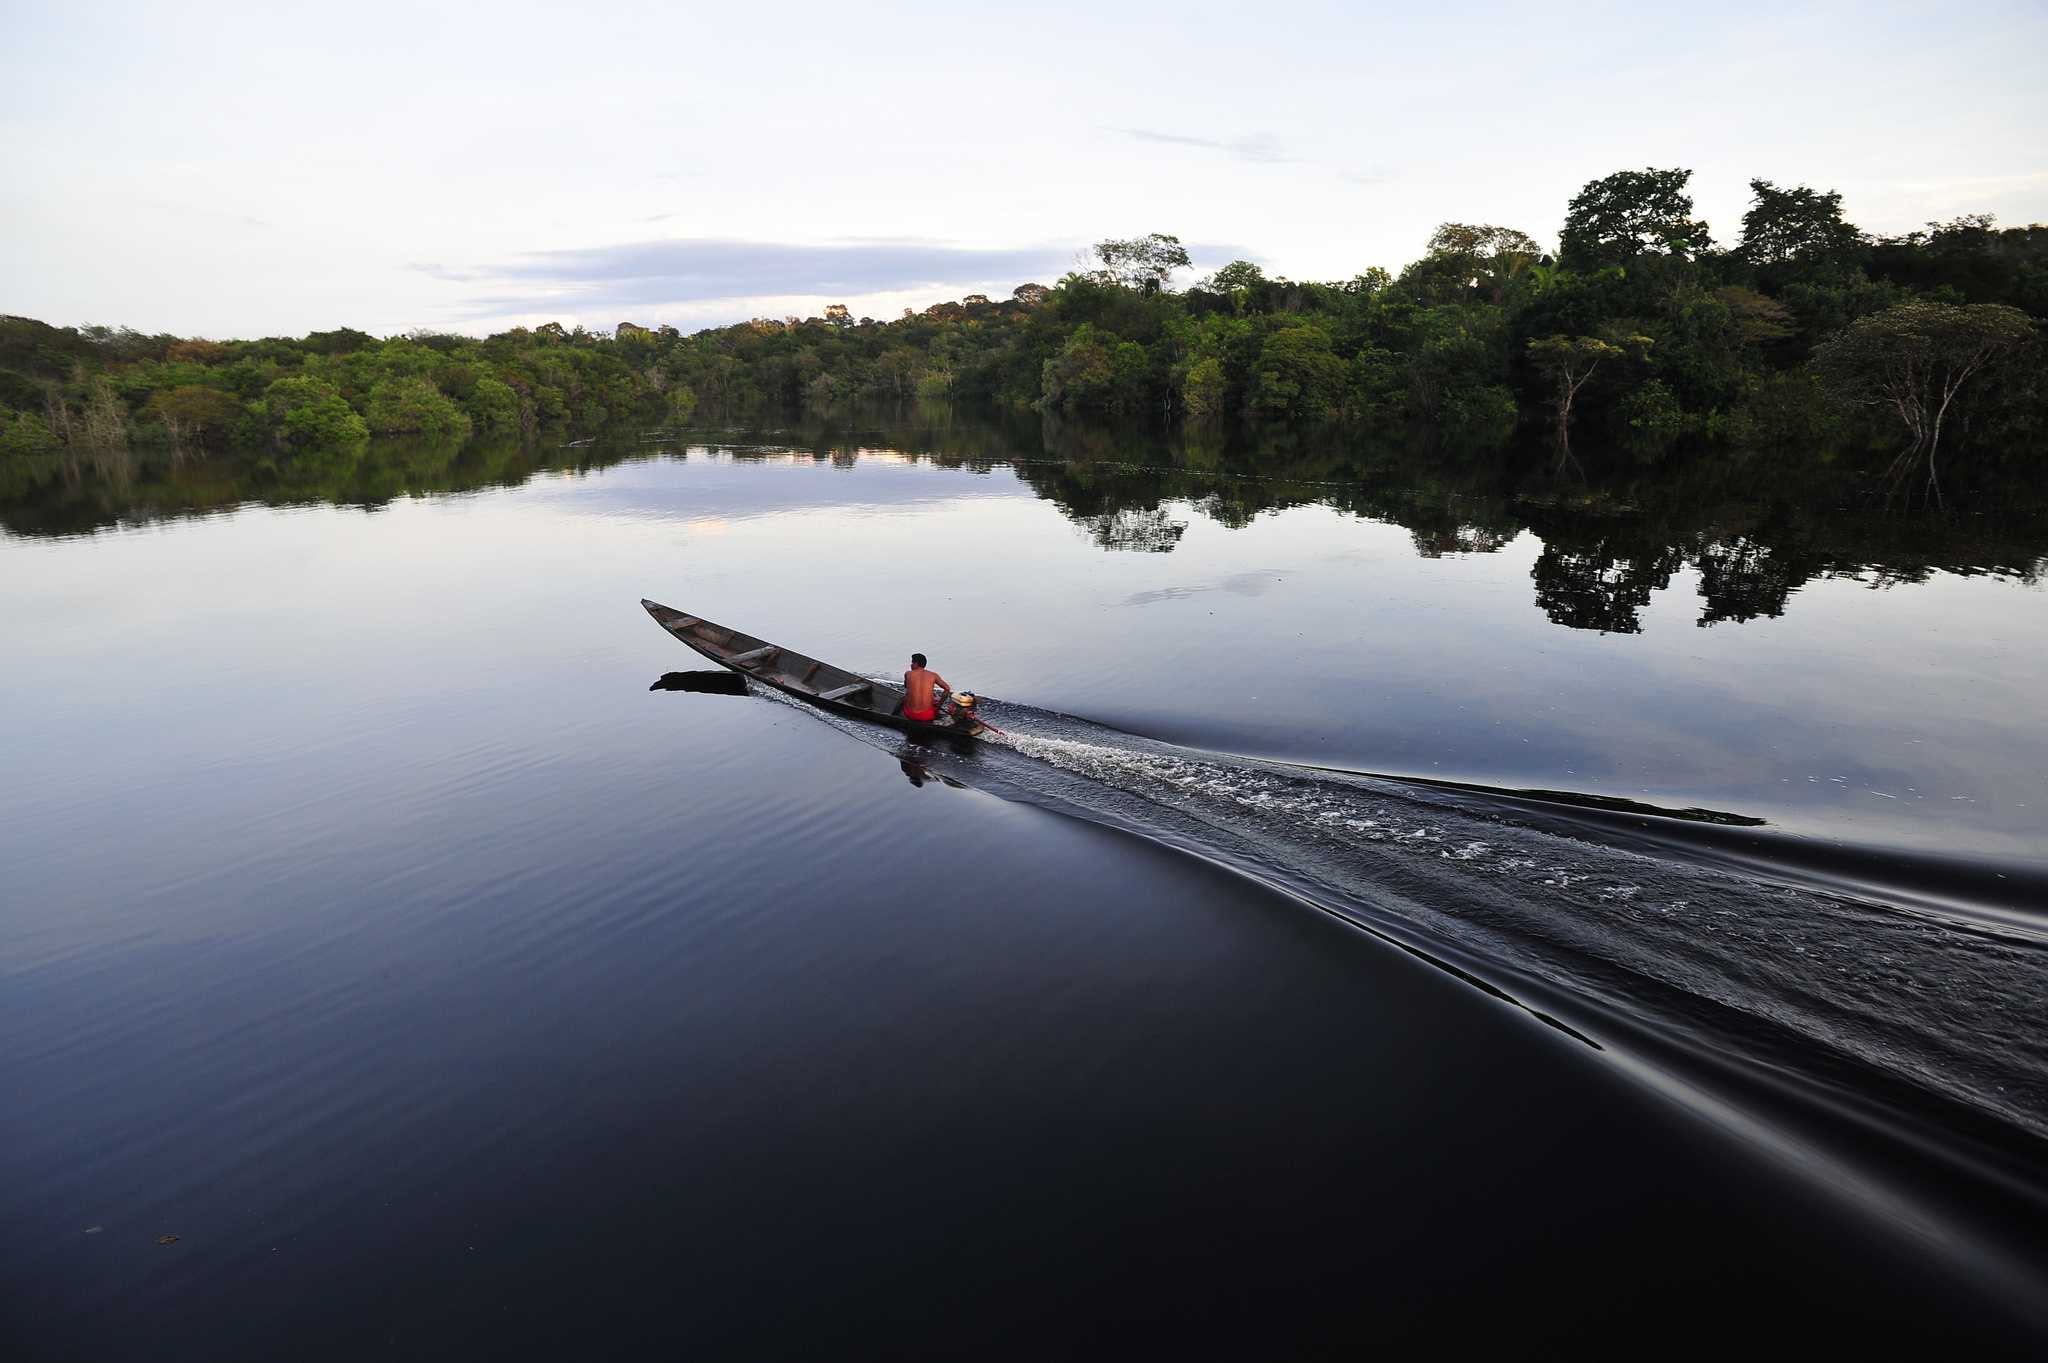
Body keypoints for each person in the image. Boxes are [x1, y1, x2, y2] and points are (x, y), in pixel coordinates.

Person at [900, 652, 951, 723]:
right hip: (927, 716)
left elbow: (906, 687)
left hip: (911, 715)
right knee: (935, 700)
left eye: (912, 663)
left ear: (916, 664)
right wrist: (939, 704)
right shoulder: (933, 675)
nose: (911, 665)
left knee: (906, 698)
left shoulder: (908, 674)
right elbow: (947, 688)